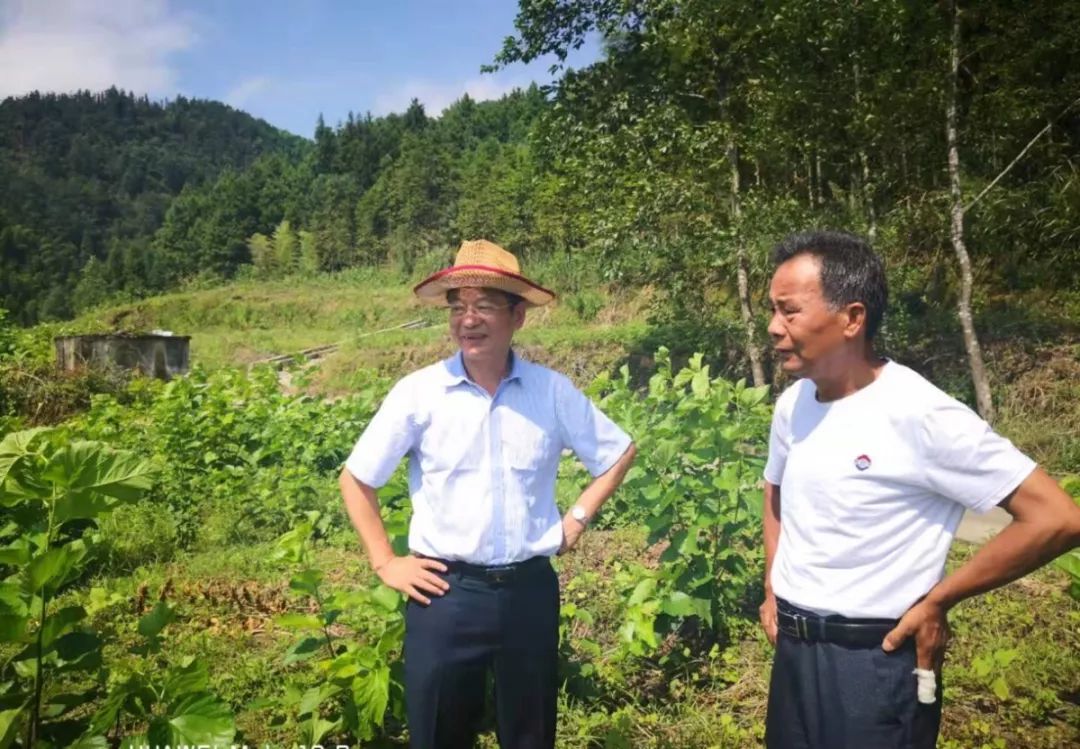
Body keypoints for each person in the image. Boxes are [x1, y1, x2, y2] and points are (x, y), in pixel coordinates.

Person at [758, 230, 1080, 749]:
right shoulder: (793, 404)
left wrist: (939, 600)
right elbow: (773, 491)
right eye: (772, 310)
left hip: (875, 664)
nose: (773, 328)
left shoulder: (921, 413)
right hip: (795, 655)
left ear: (852, 318)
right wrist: (773, 587)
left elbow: (1057, 518)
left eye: (789, 311)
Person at [339, 239, 636, 749]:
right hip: (445, 593)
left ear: (518, 316)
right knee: (438, 732)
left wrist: (578, 518)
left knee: (530, 732)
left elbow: (618, 452)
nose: (468, 320)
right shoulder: (419, 393)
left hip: (529, 592)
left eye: (484, 306)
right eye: (458, 307)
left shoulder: (551, 391)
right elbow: (357, 478)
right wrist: (386, 562)